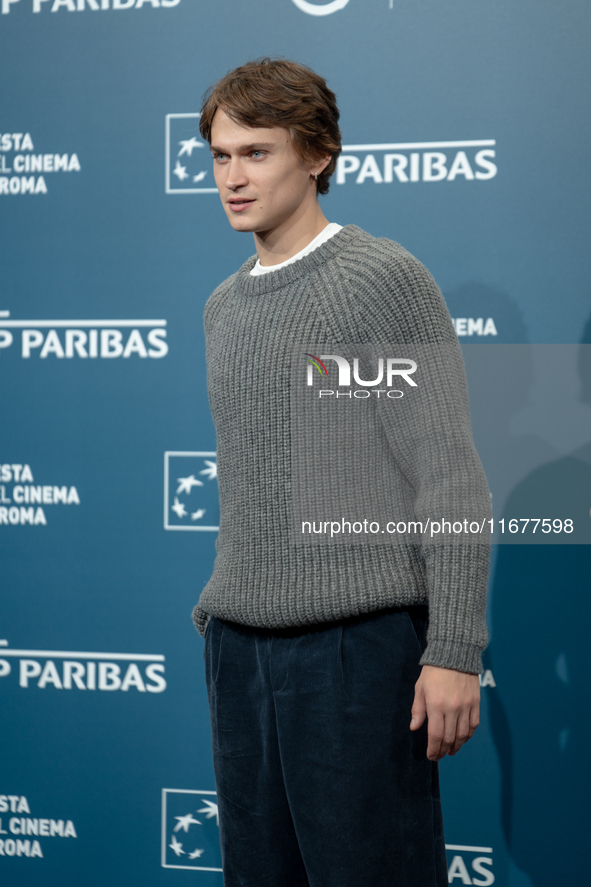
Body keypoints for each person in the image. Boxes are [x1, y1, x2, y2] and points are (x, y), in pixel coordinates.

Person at [192, 57, 491, 887]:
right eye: (219, 156)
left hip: (354, 655)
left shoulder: (377, 279)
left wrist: (455, 648)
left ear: (316, 154)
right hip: (240, 651)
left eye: (256, 152)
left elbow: (448, 476)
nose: (232, 177)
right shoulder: (222, 305)